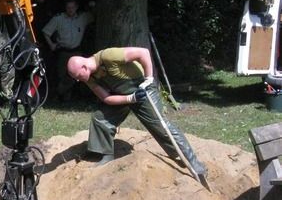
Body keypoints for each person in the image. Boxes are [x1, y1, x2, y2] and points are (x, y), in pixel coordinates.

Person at [67, 47, 207, 181]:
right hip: (123, 96)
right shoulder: (90, 78)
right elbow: (106, 98)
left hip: (144, 89)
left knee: (160, 126)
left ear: (84, 67)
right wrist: (130, 98)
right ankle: (106, 154)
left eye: (78, 76)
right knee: (100, 118)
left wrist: (148, 79)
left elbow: (143, 52)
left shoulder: (109, 56)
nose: (78, 80)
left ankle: (194, 163)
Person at [42, 0, 94, 102]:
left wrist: (92, 5)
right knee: (62, 75)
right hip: (63, 51)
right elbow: (46, 31)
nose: (70, 10)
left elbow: (94, 15)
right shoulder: (59, 19)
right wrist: (52, 45)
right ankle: (62, 98)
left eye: (72, 7)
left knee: (76, 76)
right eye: (68, 8)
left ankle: (61, 95)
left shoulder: (83, 17)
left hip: (76, 51)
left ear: (76, 7)